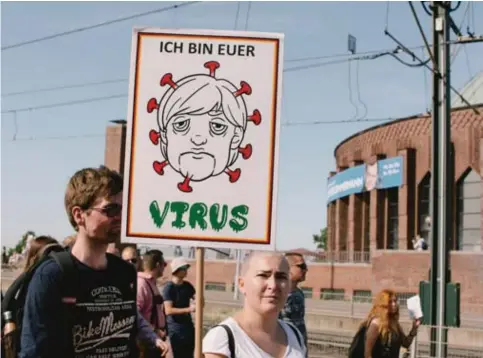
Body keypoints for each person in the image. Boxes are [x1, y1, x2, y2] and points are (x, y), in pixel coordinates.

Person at [19, 166, 168, 357]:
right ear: (79, 215)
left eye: (124, 208)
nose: (120, 216)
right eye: (111, 209)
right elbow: (35, 353)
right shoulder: (52, 276)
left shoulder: (124, 273)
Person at [203, 251, 306, 358]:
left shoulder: (294, 334)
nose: (273, 285)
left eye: (281, 277)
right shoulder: (224, 339)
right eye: (263, 275)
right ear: (242, 284)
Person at [363, 289, 420, 358]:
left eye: (395, 301)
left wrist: (414, 328)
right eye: (390, 302)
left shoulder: (394, 323)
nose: (394, 304)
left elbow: (406, 343)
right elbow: (367, 354)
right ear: (383, 304)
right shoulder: (376, 323)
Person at [137, 249, 173, 358]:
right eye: (164, 264)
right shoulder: (141, 284)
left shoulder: (151, 283)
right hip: (147, 341)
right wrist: (154, 330)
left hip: (155, 340)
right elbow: (135, 314)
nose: (165, 267)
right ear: (158, 265)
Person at [163, 257, 196, 358]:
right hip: (175, 328)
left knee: (189, 354)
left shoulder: (187, 285)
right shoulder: (169, 288)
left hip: (188, 326)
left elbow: (197, 298)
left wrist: (198, 300)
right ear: (176, 270)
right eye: (184, 268)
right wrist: (189, 309)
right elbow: (168, 310)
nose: (186, 271)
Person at [279, 252, 308, 351]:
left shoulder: (299, 293)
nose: (306, 270)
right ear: (288, 268)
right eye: (302, 266)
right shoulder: (276, 293)